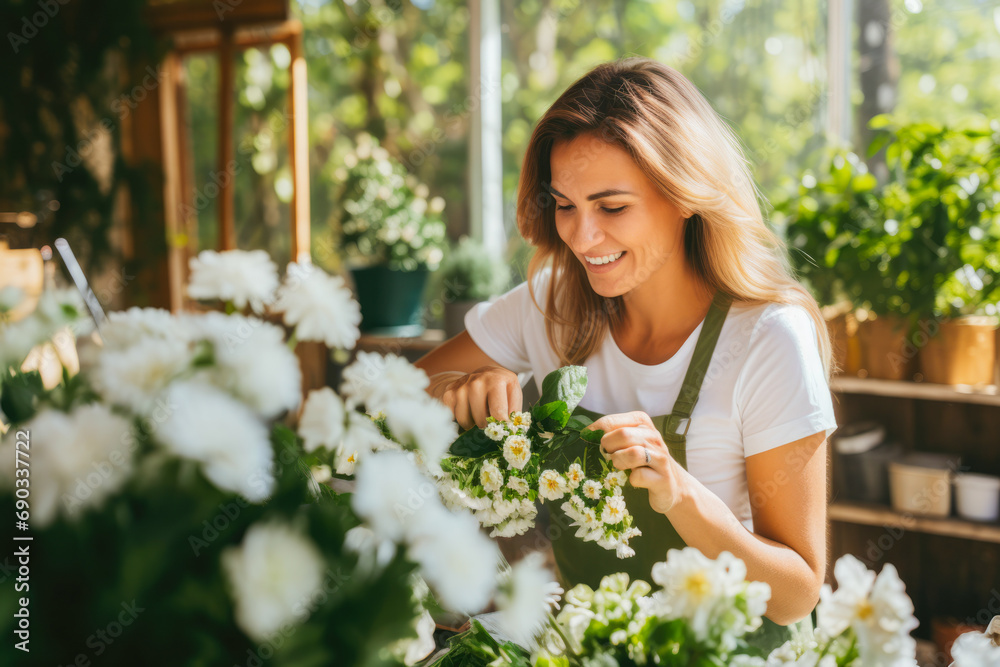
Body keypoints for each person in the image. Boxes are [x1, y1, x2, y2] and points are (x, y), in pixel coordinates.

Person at [415, 57, 837, 639]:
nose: (582, 237)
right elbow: (382, 400)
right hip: (589, 647)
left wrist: (682, 494)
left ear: (685, 193)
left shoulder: (767, 337)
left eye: (612, 207)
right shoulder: (553, 305)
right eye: (565, 205)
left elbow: (795, 594)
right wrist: (450, 391)